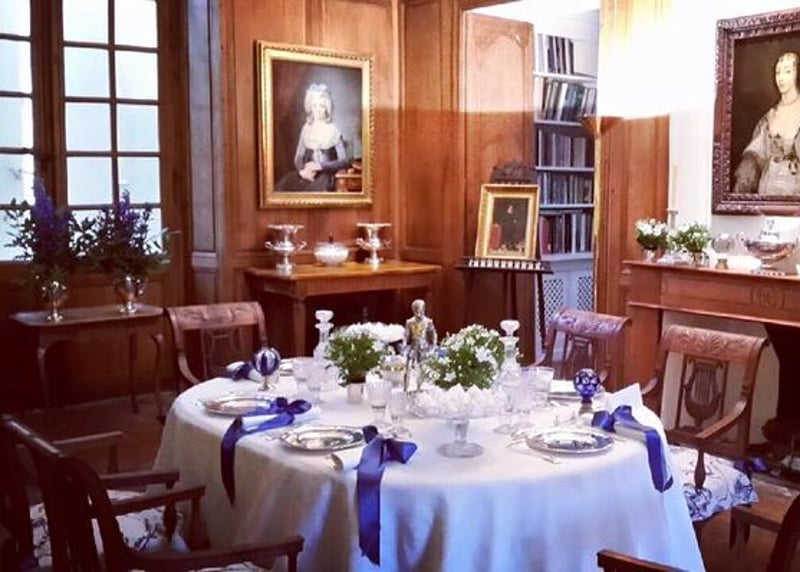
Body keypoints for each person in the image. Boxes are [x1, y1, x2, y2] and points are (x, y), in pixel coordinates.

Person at [734, 51, 800, 195]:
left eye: (788, 71)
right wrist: (749, 163)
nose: (781, 78)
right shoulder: (770, 115)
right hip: (768, 187)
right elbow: (757, 152)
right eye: (778, 72)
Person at [277, 83, 352, 192]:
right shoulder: (306, 128)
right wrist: (303, 171)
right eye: (314, 105)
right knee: (285, 184)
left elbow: (345, 162)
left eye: (321, 106)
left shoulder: (334, 131)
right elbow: (298, 157)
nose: (317, 110)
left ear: (327, 108)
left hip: (326, 176)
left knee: (314, 189)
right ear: (310, 107)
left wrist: (320, 166)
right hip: (307, 174)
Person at [404, 299, 437, 364]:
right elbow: (406, 336)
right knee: (413, 363)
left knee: (424, 363)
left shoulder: (428, 321)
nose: (418, 314)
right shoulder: (409, 322)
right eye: (416, 311)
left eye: (420, 311)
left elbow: (433, 335)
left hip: (425, 346)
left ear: (423, 310)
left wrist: (433, 346)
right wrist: (404, 346)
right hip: (413, 347)